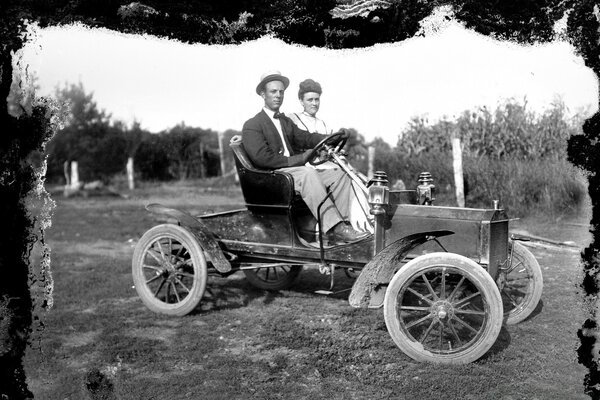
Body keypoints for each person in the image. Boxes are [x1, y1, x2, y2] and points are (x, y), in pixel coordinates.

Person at [242, 71, 369, 243]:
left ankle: (341, 225)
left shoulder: (285, 122)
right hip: (274, 177)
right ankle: (334, 227)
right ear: (263, 94)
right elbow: (262, 159)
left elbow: (306, 138)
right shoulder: (253, 125)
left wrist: (333, 137)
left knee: (339, 175)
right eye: (273, 92)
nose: (278, 95)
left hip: (293, 174)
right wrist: (299, 159)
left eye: (281, 92)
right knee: (308, 173)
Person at [287, 79, 373, 233]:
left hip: (324, 165)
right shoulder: (292, 119)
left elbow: (327, 146)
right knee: (344, 176)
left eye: (316, 99)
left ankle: (355, 222)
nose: (314, 103)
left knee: (353, 176)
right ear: (301, 100)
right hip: (305, 167)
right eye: (310, 100)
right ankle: (346, 226)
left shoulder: (323, 124)